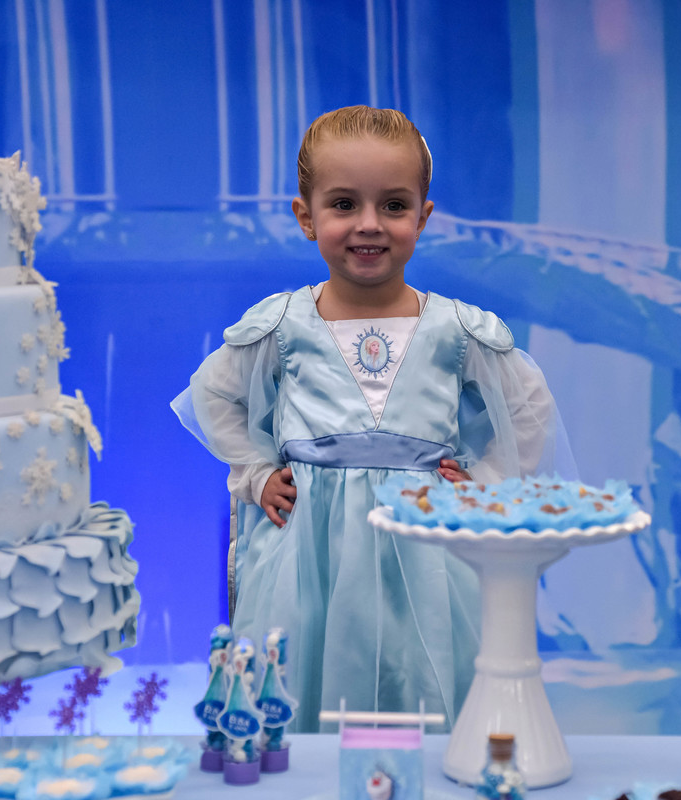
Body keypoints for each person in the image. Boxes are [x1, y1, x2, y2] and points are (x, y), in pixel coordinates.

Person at [173, 106, 562, 730]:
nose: (370, 224)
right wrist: (256, 472)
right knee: (306, 671)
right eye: (344, 204)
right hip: (311, 550)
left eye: (394, 205)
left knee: (423, 669)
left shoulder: (454, 329)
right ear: (306, 216)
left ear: (423, 217)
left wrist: (486, 485)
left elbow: (528, 401)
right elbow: (211, 394)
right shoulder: (284, 326)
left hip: (425, 543)